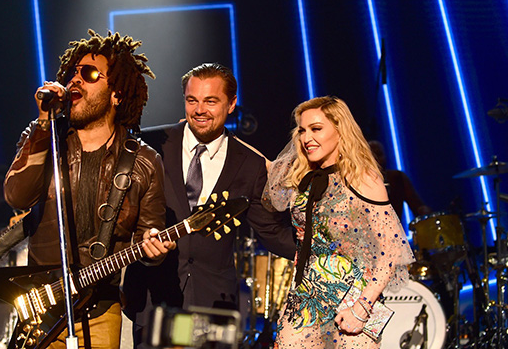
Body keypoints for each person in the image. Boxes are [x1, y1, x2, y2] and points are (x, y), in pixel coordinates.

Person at [0, 30, 173, 349]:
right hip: (41, 310)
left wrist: (152, 247)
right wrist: (43, 124)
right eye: (73, 72)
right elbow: (16, 196)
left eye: (90, 73)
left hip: (101, 311)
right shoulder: (45, 138)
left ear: (116, 93)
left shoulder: (144, 162)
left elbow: (149, 239)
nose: (77, 79)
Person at [123, 63, 296, 344]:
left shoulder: (249, 164)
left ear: (231, 104)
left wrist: (321, 250)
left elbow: (272, 232)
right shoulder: (152, 144)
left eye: (210, 101)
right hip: (153, 299)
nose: (199, 110)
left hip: (213, 306)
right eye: (192, 100)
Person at [263, 96, 414, 349]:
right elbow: (262, 167)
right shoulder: (303, 177)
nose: (306, 137)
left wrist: (362, 307)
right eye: (302, 130)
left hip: (353, 300)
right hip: (305, 299)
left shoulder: (362, 177)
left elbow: (391, 249)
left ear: (340, 130)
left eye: (316, 129)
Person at [367, 140, 431, 221]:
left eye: (379, 155)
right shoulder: (359, 184)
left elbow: (417, 205)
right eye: (372, 156)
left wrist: (425, 211)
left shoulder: (397, 178)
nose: (376, 160)